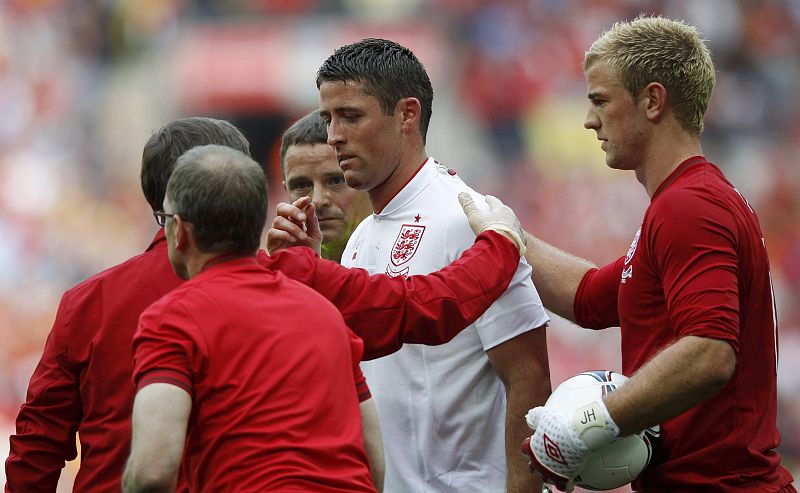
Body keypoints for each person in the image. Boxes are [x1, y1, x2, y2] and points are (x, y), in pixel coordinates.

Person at [5, 117, 528, 492]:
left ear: (169, 217)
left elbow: (41, 447)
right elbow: (422, 311)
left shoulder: (89, 304)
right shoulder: (308, 295)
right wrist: (500, 244)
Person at [511, 16, 796, 493]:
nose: (589, 119)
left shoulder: (689, 205)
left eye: (600, 100)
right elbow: (589, 298)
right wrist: (504, 233)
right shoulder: (690, 199)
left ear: (652, 100)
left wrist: (586, 425)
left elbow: (709, 352)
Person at [314, 38, 551, 493]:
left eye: (350, 116)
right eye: (328, 119)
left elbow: (529, 375)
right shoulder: (362, 236)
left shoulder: (467, 218)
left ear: (407, 114)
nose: (333, 136)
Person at [122, 145, 376, 492]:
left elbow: (153, 470)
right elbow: (372, 453)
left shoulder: (172, 319)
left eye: (166, 220)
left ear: (179, 230)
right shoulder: (323, 311)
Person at [280, 110, 372, 263]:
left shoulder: (411, 270)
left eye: (336, 181)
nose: (317, 200)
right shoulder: (275, 278)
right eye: (302, 185)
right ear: (287, 191)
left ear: (372, 181)